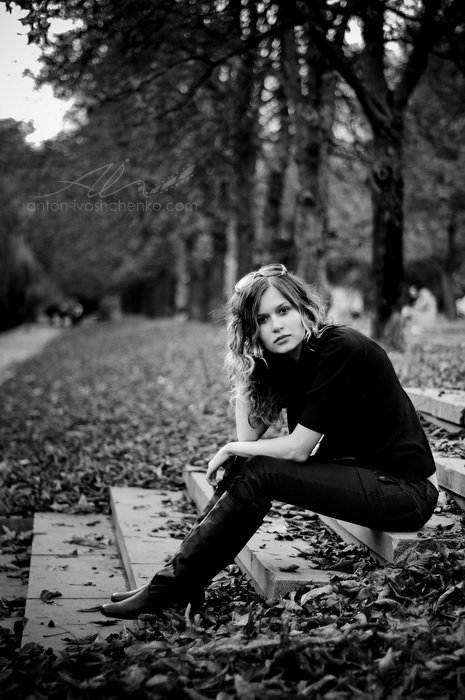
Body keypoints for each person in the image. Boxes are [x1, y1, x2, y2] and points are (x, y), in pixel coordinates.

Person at [101, 264, 439, 619]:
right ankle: (174, 582)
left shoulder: (340, 348)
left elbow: (297, 448)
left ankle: (171, 587)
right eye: (261, 320)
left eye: (283, 311)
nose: (276, 325)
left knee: (258, 469)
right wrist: (246, 360)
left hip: (406, 491)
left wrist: (230, 449)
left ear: (303, 309)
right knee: (247, 463)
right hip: (365, 475)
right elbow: (248, 436)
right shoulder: (290, 360)